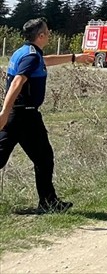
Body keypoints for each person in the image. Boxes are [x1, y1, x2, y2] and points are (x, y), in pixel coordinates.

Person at [0, 18, 92, 213]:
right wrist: (3, 112)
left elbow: (45, 61)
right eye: (47, 32)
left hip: (20, 115)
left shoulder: (25, 52)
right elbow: (18, 82)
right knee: (44, 158)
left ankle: (48, 202)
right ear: (40, 36)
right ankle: (48, 203)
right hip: (24, 116)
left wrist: (75, 57)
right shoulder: (32, 57)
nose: (49, 35)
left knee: (37, 158)